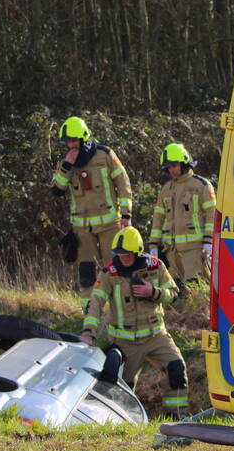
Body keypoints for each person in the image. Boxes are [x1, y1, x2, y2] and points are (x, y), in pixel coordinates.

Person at [78, 227, 187, 416]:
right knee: (121, 388)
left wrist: (152, 292)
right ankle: (126, 423)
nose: (123, 258)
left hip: (156, 335)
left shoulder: (155, 266)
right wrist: (89, 332)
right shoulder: (109, 273)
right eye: (119, 254)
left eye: (128, 254)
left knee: (177, 369)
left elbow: (175, 294)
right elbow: (95, 303)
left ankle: (175, 417)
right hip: (124, 341)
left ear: (137, 251)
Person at [50, 117, 132, 310]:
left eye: (73, 140)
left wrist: (126, 215)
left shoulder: (105, 155)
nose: (70, 145)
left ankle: (119, 309)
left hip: (110, 224)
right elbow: (57, 189)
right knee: (86, 271)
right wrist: (67, 167)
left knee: (114, 268)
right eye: (67, 142)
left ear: (83, 138)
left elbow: (123, 183)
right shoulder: (64, 162)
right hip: (82, 228)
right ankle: (89, 313)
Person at [147, 143, 216, 285]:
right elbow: (158, 218)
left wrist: (209, 242)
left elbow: (212, 215)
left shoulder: (201, 185)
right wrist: (153, 244)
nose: (171, 170)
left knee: (195, 285)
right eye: (168, 167)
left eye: (174, 165)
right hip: (171, 251)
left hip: (194, 250)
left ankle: (199, 309)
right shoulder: (166, 189)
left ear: (184, 163)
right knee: (177, 290)